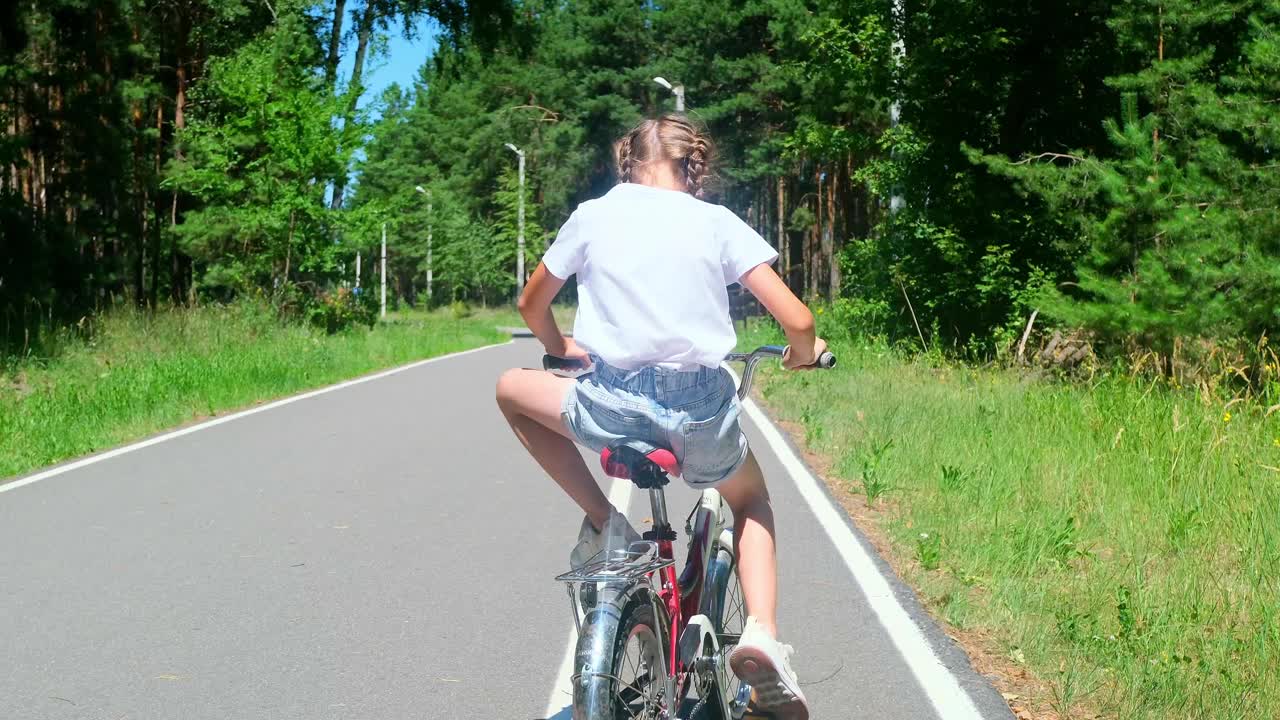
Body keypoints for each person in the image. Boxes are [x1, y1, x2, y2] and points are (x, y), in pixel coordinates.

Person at [495, 114, 826, 720]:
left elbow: (531, 301)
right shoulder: (716, 222)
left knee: (512, 390)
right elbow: (798, 323)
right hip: (698, 410)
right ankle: (761, 634)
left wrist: (561, 349)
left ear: (628, 161)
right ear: (691, 165)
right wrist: (804, 356)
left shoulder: (594, 215)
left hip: (611, 403)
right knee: (751, 501)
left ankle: (607, 522)